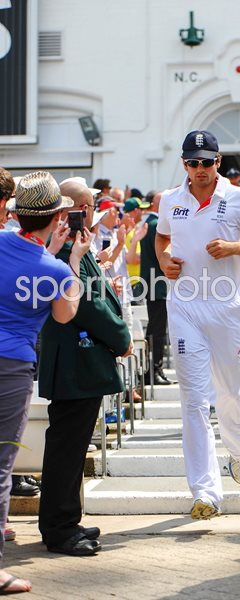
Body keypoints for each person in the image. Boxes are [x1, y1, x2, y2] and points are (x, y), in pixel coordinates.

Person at [155, 130, 240, 519]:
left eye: (207, 162)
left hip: (226, 306)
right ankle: (205, 492)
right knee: (193, 398)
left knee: (228, 389)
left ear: (218, 162)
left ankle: (239, 452)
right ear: (184, 163)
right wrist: (164, 262)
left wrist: (233, 248)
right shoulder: (172, 199)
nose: (200, 170)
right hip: (185, 305)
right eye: (193, 162)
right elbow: (162, 240)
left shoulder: (239, 198)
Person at [0, 170, 90, 594]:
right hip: (11, 366)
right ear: (58, 218)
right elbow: (63, 315)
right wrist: (69, 265)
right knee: (1, 464)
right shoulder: (53, 270)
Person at [38, 179, 132, 557]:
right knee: (66, 448)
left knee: (73, 448)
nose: (93, 211)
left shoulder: (75, 244)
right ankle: (60, 528)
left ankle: (66, 519)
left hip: (80, 362)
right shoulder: (65, 250)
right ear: (81, 209)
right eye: (90, 206)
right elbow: (90, 304)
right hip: (75, 362)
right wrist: (122, 337)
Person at [140, 192, 174, 385]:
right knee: (157, 331)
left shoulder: (151, 224)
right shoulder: (155, 226)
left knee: (157, 329)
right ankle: (153, 370)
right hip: (157, 283)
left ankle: (154, 370)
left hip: (155, 282)